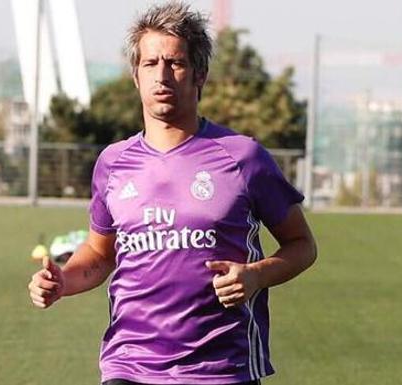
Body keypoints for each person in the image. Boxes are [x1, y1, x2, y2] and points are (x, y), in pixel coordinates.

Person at [28, 2, 317, 384]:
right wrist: (64, 281)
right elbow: (100, 254)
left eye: (175, 63)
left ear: (200, 74)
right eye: (150, 64)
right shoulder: (113, 162)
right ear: (136, 75)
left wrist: (255, 276)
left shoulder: (243, 156)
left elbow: (302, 245)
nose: (161, 75)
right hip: (129, 365)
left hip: (220, 369)